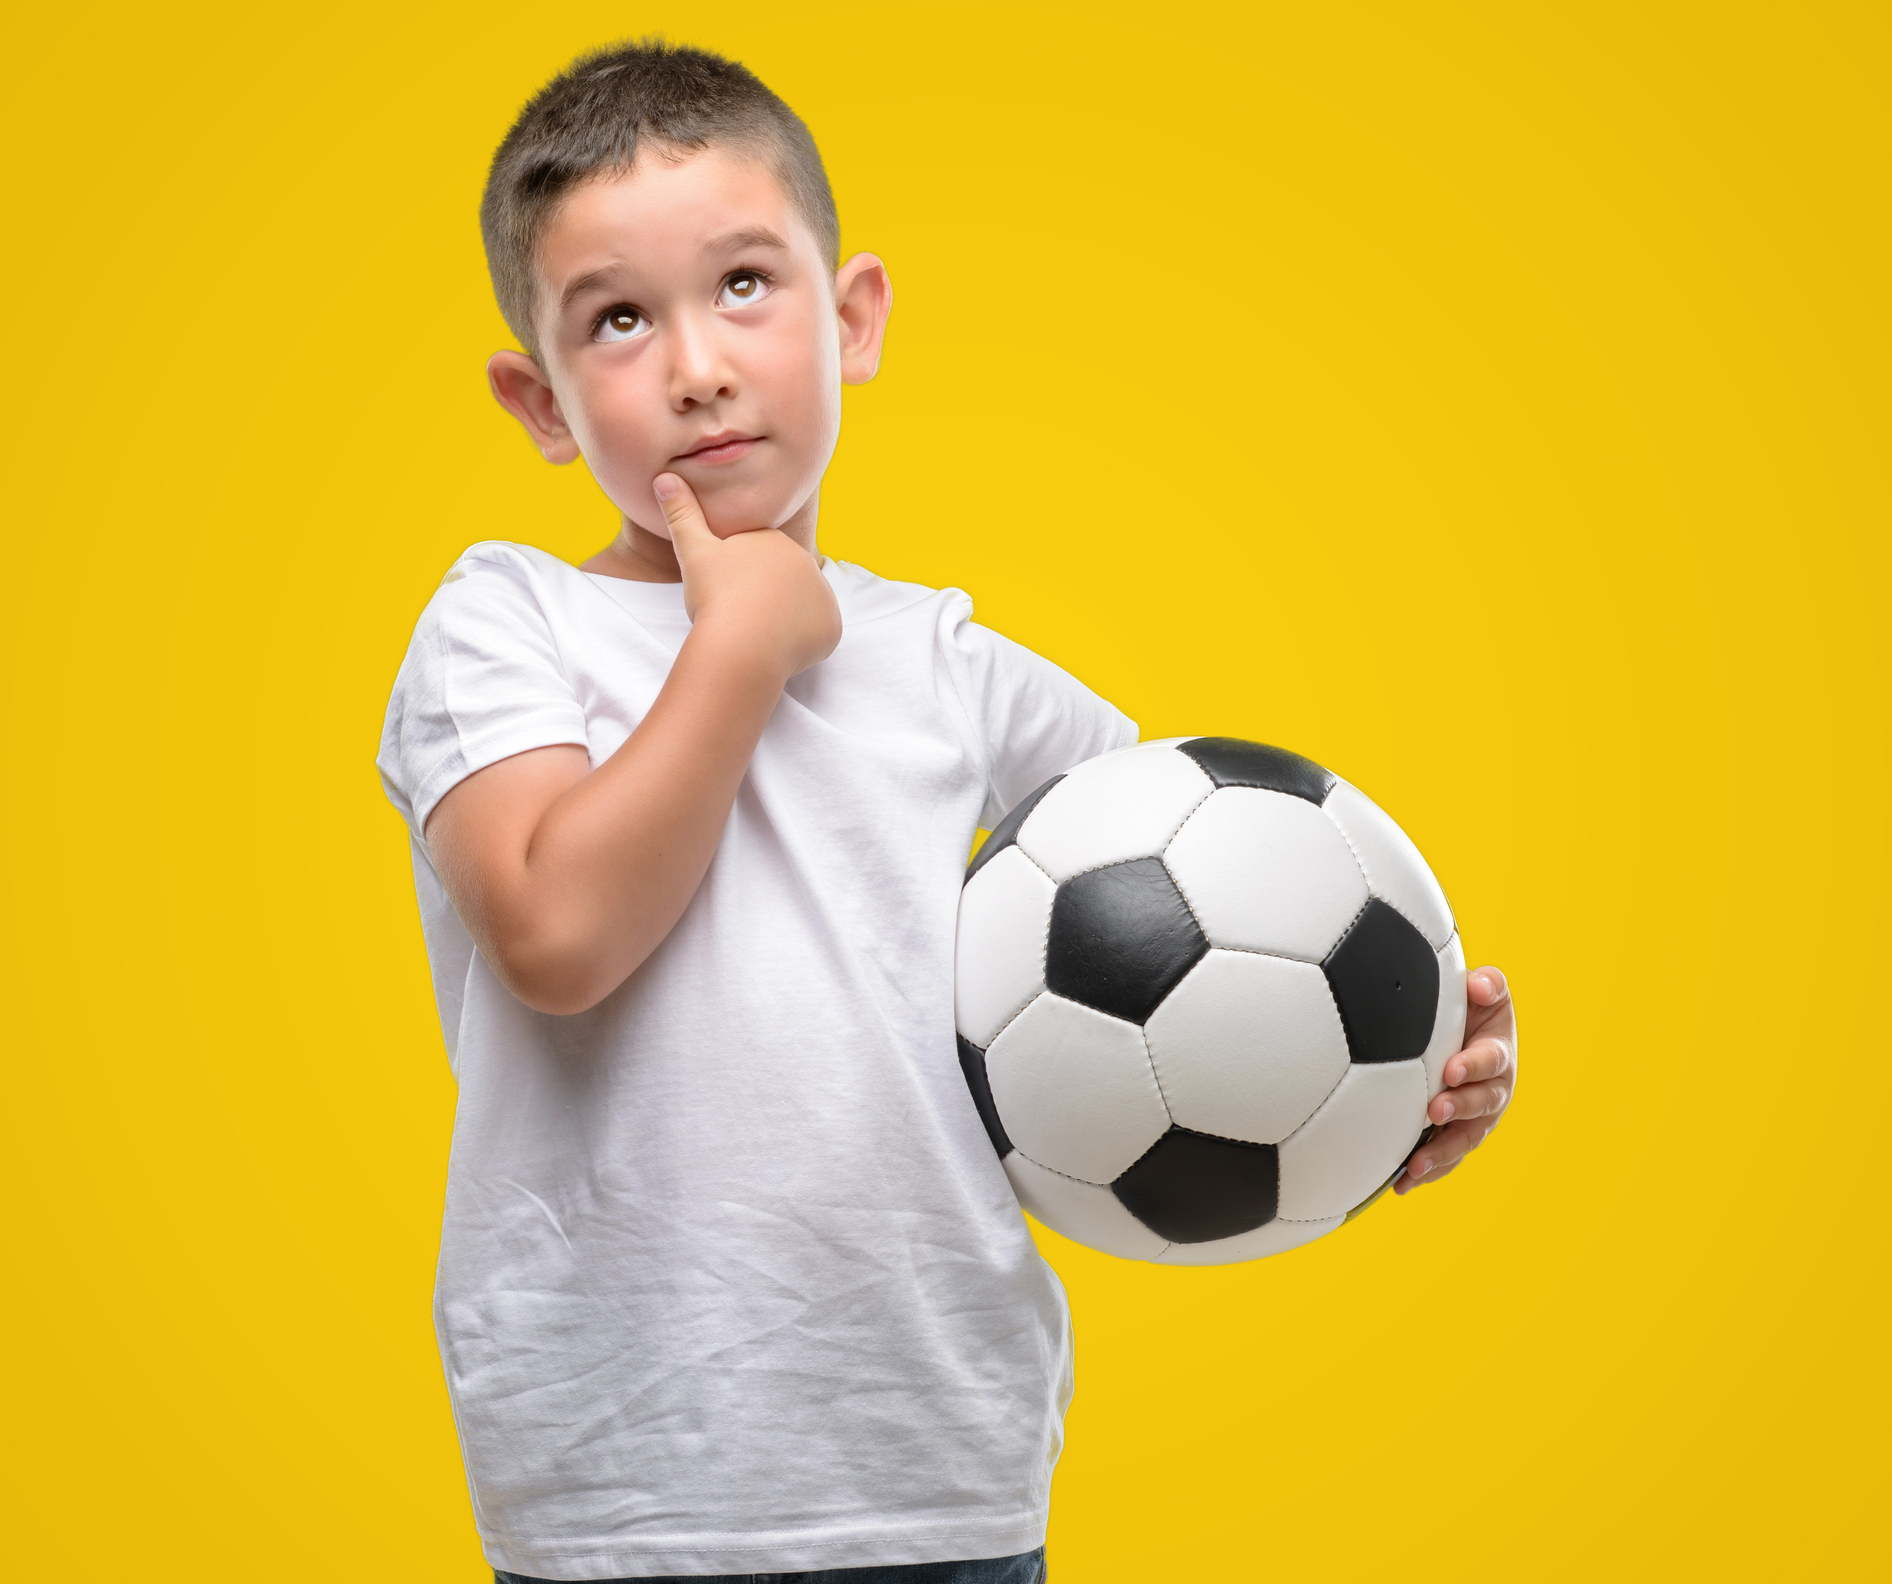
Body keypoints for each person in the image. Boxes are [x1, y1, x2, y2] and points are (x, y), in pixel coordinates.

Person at [375, 39, 1518, 1584]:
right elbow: (557, 934)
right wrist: (740, 642)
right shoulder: (504, 624)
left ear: (852, 321)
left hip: (941, 1464)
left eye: (745, 285)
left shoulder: (957, 672)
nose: (697, 363)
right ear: (545, 404)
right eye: (620, 319)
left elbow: (1238, 910)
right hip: (625, 1489)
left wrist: (1391, 1084)